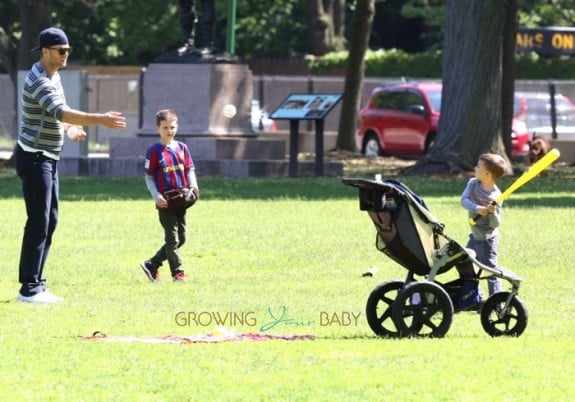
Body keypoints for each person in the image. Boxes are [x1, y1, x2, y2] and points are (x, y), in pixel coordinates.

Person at [15, 27, 126, 304]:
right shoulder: (38, 80)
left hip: (48, 156)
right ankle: (29, 288)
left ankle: (37, 283)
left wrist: (70, 128)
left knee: (50, 220)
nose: (66, 55)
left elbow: (58, 115)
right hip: (34, 157)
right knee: (39, 221)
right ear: (45, 52)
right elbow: (60, 110)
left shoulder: (54, 76)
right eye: (61, 51)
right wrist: (99, 119)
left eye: (68, 51)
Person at [140, 109, 200, 283]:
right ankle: (178, 274)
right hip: (165, 202)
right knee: (172, 240)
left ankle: (152, 264)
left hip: (181, 199)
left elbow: (190, 169)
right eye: (165, 127)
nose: (169, 131)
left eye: (172, 127)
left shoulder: (182, 148)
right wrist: (156, 196)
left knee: (181, 239)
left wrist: (193, 186)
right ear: (158, 128)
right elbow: (149, 177)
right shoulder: (154, 151)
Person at [457, 153, 507, 310]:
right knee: (466, 266)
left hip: (488, 240)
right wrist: (478, 208)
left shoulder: (496, 196)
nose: (475, 168)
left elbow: (496, 224)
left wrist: (492, 212)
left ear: (487, 174)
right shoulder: (473, 183)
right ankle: (475, 299)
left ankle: (498, 305)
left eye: (478, 166)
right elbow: (463, 201)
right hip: (474, 236)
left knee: (490, 272)